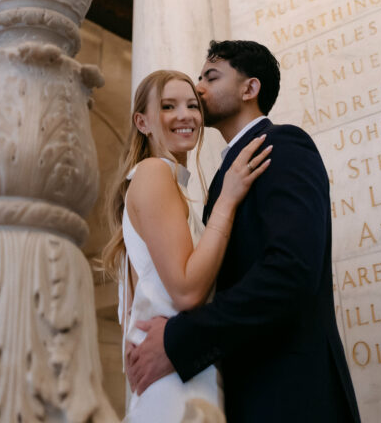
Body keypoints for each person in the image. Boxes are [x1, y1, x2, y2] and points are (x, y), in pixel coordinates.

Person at [126, 40, 361, 423]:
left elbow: (291, 271)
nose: (198, 88)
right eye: (198, 78)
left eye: (211, 77)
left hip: (291, 396)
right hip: (240, 395)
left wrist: (179, 341)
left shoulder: (282, 145)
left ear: (250, 89)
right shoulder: (223, 180)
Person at [102, 68, 271, 423]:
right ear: (142, 121)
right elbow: (186, 292)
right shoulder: (153, 173)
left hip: (182, 372)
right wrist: (226, 202)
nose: (185, 115)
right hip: (178, 384)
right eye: (167, 106)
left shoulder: (170, 185)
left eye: (192, 105)